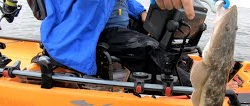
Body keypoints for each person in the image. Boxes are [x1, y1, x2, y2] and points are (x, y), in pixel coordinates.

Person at [39, 0, 195, 76]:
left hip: (120, 30)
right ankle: (193, 89)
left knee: (167, 45)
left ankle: (191, 71)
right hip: (94, 33)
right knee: (150, 49)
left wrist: (141, 12)